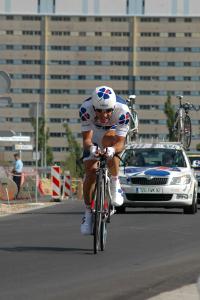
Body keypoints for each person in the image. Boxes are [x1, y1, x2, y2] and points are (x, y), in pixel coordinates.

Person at [79, 85, 130, 235]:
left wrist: (113, 150)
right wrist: (92, 149)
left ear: (113, 107)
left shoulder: (123, 111)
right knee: (90, 172)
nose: (104, 115)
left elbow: (121, 142)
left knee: (110, 145)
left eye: (108, 110)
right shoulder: (85, 109)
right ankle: (88, 213)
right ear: (93, 107)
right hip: (94, 133)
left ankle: (115, 182)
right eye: (99, 110)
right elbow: (87, 140)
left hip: (112, 132)